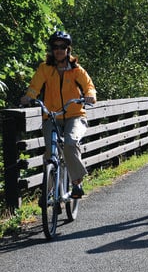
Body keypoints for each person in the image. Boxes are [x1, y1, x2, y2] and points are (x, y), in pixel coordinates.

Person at [20, 31, 97, 199]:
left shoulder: (76, 70)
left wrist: (90, 95)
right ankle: (49, 191)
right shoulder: (45, 68)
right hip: (52, 116)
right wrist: (29, 97)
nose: (59, 50)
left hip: (75, 115)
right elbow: (35, 86)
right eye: (55, 47)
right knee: (50, 153)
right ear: (52, 50)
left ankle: (77, 183)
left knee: (70, 144)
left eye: (62, 47)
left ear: (68, 49)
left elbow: (89, 86)